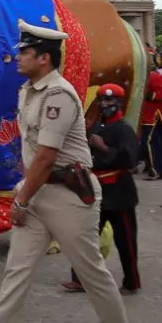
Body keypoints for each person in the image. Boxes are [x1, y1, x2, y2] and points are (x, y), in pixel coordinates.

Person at [0, 21, 137, 323]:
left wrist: (20, 199)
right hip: (37, 192)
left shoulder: (58, 95)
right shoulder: (29, 90)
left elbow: (48, 155)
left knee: (91, 272)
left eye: (25, 52)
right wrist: (25, 190)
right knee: (17, 271)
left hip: (68, 195)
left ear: (44, 59)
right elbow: (33, 152)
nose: (18, 57)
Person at [62, 84, 141, 295]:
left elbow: (131, 159)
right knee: (85, 237)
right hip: (96, 192)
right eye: (103, 101)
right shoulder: (97, 126)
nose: (106, 105)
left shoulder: (124, 128)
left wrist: (104, 147)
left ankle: (131, 281)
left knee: (125, 241)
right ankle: (79, 279)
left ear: (119, 103)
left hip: (120, 192)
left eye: (111, 101)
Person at [139, 58, 162, 180]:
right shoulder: (146, 77)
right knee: (154, 143)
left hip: (154, 115)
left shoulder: (154, 77)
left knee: (148, 142)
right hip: (147, 115)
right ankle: (161, 170)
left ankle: (155, 170)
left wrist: (148, 95)